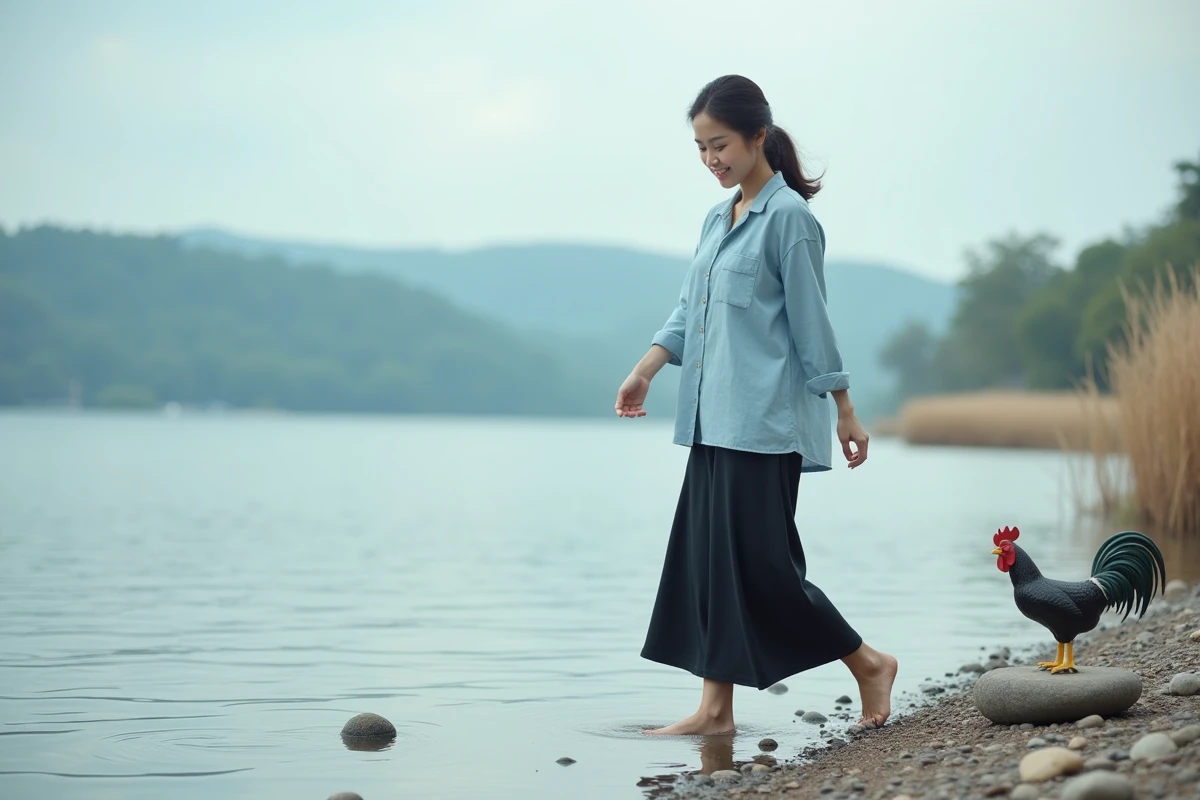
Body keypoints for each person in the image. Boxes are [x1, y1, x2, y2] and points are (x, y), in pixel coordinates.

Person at [615, 75, 897, 736]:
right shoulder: (717, 220)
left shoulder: (792, 221)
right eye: (701, 148)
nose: (711, 160)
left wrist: (844, 409)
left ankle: (868, 663)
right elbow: (690, 313)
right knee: (714, 566)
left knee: (767, 569)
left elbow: (812, 324)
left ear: (758, 136)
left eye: (721, 145)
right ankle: (715, 711)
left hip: (766, 426)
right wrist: (645, 370)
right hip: (712, 423)